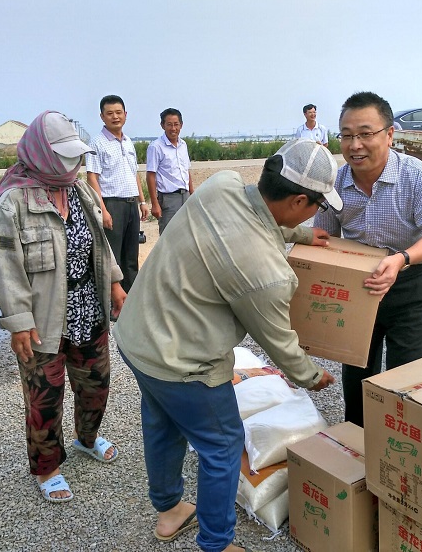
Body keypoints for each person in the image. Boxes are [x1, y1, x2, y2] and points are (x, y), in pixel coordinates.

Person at [114, 139, 342, 552]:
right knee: (222, 445)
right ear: (298, 201)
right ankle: (217, 543)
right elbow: (279, 341)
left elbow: (250, 217)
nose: (315, 212)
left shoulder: (221, 184)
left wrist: (301, 233)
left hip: (138, 338)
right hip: (183, 362)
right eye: (317, 205)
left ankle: (169, 511)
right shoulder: (267, 274)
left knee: (163, 422)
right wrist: (312, 376)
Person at [0, 111, 127, 502]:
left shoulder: (80, 190)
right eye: (64, 156)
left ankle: (88, 438)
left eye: (75, 156)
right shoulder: (13, 202)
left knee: (96, 386)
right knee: (44, 399)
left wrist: (115, 283)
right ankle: (47, 467)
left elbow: (99, 244)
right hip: (43, 320)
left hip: (89, 310)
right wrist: (18, 321)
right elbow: (6, 267)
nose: (73, 164)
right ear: (41, 154)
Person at [314, 91, 422, 427]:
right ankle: (357, 441)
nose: (355, 145)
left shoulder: (416, 176)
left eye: (365, 134)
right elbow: (323, 237)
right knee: (357, 371)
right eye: (347, 136)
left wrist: (402, 259)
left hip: (410, 283)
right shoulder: (335, 183)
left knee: (408, 377)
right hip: (359, 286)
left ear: (389, 134)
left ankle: (404, 442)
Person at [86, 95, 150, 293]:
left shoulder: (128, 142)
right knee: (113, 257)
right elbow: (92, 178)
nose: (115, 117)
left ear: (125, 114)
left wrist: (142, 202)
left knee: (131, 256)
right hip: (112, 204)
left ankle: (131, 299)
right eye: (110, 113)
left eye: (118, 112)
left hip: (131, 204)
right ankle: (113, 301)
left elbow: (134, 173)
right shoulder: (96, 143)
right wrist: (103, 210)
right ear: (102, 116)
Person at [146, 108, 193, 235]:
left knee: (187, 234)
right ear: (162, 125)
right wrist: (155, 204)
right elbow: (150, 176)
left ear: (181, 125)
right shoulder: (156, 147)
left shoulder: (183, 145)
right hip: (168, 199)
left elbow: (186, 171)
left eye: (176, 124)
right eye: (169, 124)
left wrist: (192, 194)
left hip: (185, 196)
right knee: (169, 235)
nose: (173, 128)